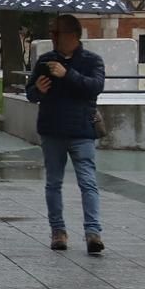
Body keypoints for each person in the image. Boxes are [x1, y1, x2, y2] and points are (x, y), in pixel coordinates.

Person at [26, 13, 105, 254]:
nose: (52, 36)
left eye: (56, 32)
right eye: (51, 32)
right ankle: (58, 231)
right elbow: (31, 92)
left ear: (71, 35)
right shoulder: (45, 61)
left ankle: (93, 233)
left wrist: (67, 73)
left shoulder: (92, 61)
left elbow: (95, 87)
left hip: (82, 130)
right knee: (53, 183)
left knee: (88, 182)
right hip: (52, 131)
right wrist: (37, 90)